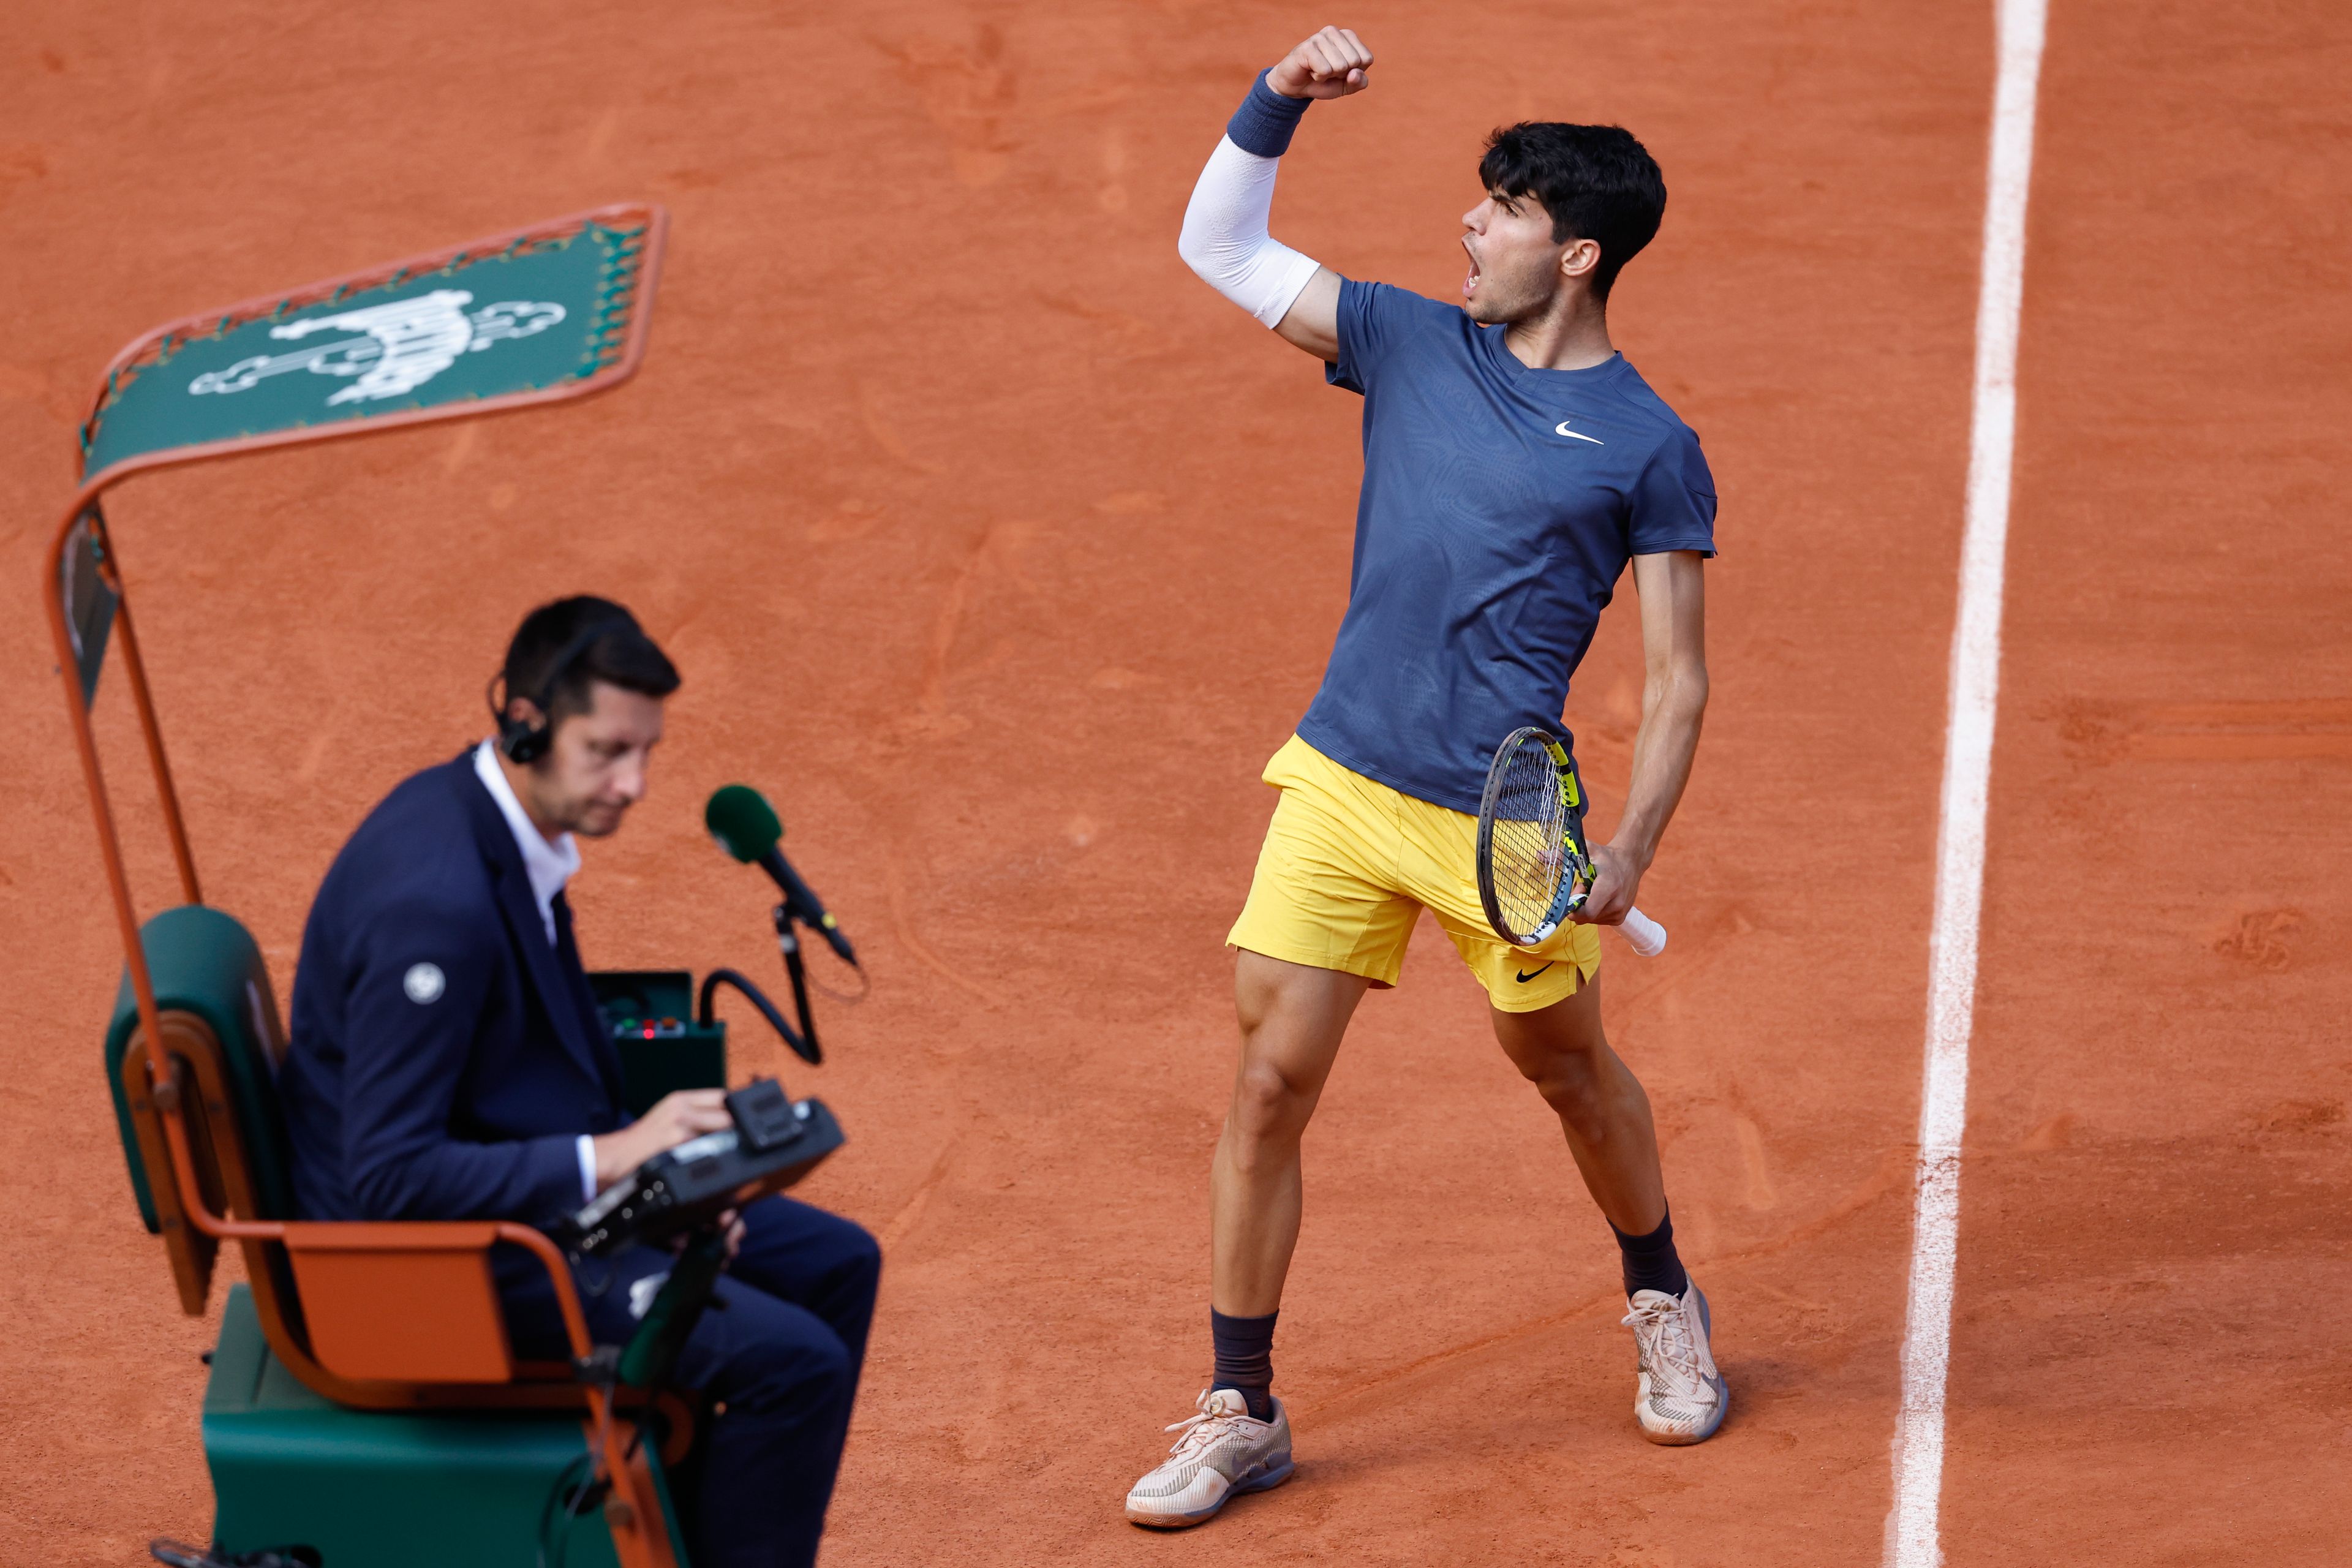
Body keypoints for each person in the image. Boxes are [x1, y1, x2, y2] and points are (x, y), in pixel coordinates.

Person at [1126, 28, 1723, 1529]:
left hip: (1498, 817)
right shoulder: (1404, 339)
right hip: (1340, 774)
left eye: (1504, 208)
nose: (1471, 221)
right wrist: (1280, 94)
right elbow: (1220, 240)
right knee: (1266, 1083)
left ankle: (1660, 1289)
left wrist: (1633, 851)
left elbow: (1678, 679)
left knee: (1567, 1070)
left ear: (1575, 253)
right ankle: (1239, 1402)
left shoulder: (1649, 445)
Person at [276, 595, 880, 1568]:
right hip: (445, 1266)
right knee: (794, 1367)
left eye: (646, 752)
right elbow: (390, 1182)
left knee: (838, 1264)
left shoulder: (489, 823)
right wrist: (616, 1160)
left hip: (533, 1196)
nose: (634, 783)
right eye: (607, 751)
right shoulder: (436, 908)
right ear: (524, 722)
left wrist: (666, 1187)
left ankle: (699, 1539)